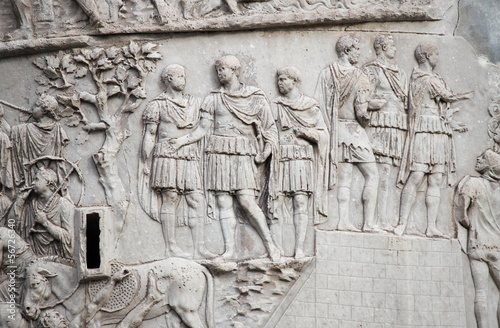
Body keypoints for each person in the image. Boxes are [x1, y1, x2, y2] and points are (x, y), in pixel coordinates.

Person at [170, 55, 280, 261]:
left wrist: (265, 151)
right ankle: (229, 250)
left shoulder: (255, 96)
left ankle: (270, 244)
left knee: (246, 201)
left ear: (235, 70)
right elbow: (202, 129)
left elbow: (269, 128)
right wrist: (181, 141)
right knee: (223, 203)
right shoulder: (213, 98)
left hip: (243, 153)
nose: (219, 73)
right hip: (219, 153)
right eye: (217, 70)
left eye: (223, 69)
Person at [394, 43, 473, 237]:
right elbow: (448, 96)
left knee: (436, 178)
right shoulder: (424, 78)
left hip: (438, 130)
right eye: (436, 53)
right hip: (424, 128)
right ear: (428, 56)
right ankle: (402, 223)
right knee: (417, 175)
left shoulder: (432, 77)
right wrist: (470, 95)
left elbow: (443, 105)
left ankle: (431, 226)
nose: (438, 57)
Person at [140, 64, 214, 259]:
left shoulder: (195, 103)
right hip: (166, 154)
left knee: (196, 198)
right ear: (169, 79)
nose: (184, 79)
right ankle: (171, 246)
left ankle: (199, 247)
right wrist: (144, 161)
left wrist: (182, 142)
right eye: (179, 76)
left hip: (188, 153)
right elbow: (150, 135)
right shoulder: (156, 105)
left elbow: (203, 129)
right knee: (170, 198)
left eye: (184, 75)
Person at [316, 35, 379, 232]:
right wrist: (374, 108)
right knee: (373, 175)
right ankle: (368, 222)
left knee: (345, 178)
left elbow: (319, 104)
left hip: (336, 132)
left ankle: (343, 220)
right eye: (357, 50)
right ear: (347, 51)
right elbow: (361, 112)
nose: (359, 54)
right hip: (353, 132)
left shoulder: (327, 73)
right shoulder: (360, 77)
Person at [273, 66, 329, 258]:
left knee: (300, 201)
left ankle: (299, 248)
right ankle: (277, 248)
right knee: (276, 201)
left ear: (294, 81)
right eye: (278, 79)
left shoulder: (310, 106)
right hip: (281, 157)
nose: (279, 83)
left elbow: (323, 135)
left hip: (302, 157)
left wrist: (306, 132)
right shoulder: (276, 105)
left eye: (283, 79)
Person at [362, 34, 408, 231]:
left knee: (387, 174)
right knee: (379, 173)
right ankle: (372, 221)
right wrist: (375, 104)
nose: (395, 50)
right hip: (380, 124)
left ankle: (382, 219)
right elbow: (362, 99)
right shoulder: (372, 70)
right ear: (381, 47)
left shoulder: (399, 72)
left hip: (395, 123)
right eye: (391, 46)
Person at [455, 149, 500, 328]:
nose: (478, 158)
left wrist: (471, 225)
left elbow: (461, 214)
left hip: (476, 243)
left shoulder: (471, 183)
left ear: (490, 167)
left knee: (480, 292)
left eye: (483, 158)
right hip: (497, 244)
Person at [10, 167, 74, 258]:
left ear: (48, 183)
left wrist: (45, 223)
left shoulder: (63, 204)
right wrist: (20, 201)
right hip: (33, 255)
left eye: (36, 179)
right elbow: (13, 229)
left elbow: (68, 238)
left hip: (56, 256)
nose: (32, 183)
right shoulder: (31, 205)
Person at [10, 94, 69, 192]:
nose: (33, 108)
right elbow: (10, 133)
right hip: (32, 176)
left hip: (49, 178)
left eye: (36, 106)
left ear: (44, 111)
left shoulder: (58, 131)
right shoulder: (25, 129)